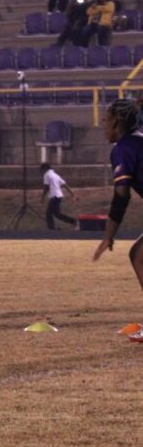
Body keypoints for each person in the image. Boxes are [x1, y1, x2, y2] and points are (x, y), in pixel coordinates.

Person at [94, 100, 143, 331]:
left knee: (140, 257)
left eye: (106, 120)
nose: (104, 125)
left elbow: (121, 196)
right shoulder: (139, 140)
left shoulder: (123, 149)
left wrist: (108, 236)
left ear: (115, 122)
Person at [41, 162, 78, 229]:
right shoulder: (56, 175)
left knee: (50, 214)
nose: (42, 171)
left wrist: (42, 197)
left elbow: (46, 187)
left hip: (54, 196)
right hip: (59, 196)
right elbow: (65, 185)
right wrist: (73, 194)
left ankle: (72, 221)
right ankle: (72, 221)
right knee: (55, 214)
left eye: (42, 169)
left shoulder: (46, 174)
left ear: (45, 168)